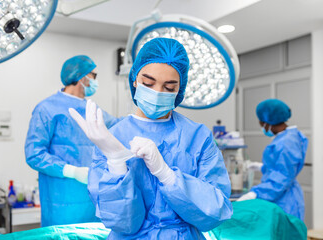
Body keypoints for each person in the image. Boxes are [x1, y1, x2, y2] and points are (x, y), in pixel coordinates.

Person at [69, 38, 233, 239]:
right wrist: (116, 161)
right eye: (148, 83)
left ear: (179, 90)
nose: (157, 93)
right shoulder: (113, 137)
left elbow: (216, 212)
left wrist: (167, 175)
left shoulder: (198, 137)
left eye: (169, 87)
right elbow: (122, 223)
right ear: (135, 80)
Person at [25, 55, 120, 227]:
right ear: (82, 76)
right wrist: (71, 171)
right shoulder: (47, 108)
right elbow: (34, 154)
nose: (95, 81)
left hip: (91, 200)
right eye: (94, 75)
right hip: (62, 203)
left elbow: (117, 126)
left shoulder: (91, 109)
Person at [237, 99, 308, 221]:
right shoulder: (287, 136)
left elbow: (283, 177)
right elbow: (281, 168)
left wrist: (255, 193)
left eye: (260, 123)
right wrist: (262, 167)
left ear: (267, 122)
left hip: (284, 200)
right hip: (280, 195)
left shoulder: (286, 143)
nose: (261, 126)